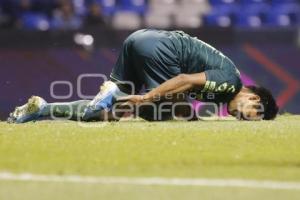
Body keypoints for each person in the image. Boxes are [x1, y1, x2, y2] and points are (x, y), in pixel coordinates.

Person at [7, 29, 278, 123]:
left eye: (242, 119)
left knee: (104, 113)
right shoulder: (231, 82)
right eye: (246, 112)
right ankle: (116, 93)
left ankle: (40, 109)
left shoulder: (223, 91)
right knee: (154, 109)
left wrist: (186, 114)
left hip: (140, 41)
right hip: (161, 49)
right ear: (253, 96)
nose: (237, 116)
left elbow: (183, 99)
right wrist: (148, 97)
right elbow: (183, 81)